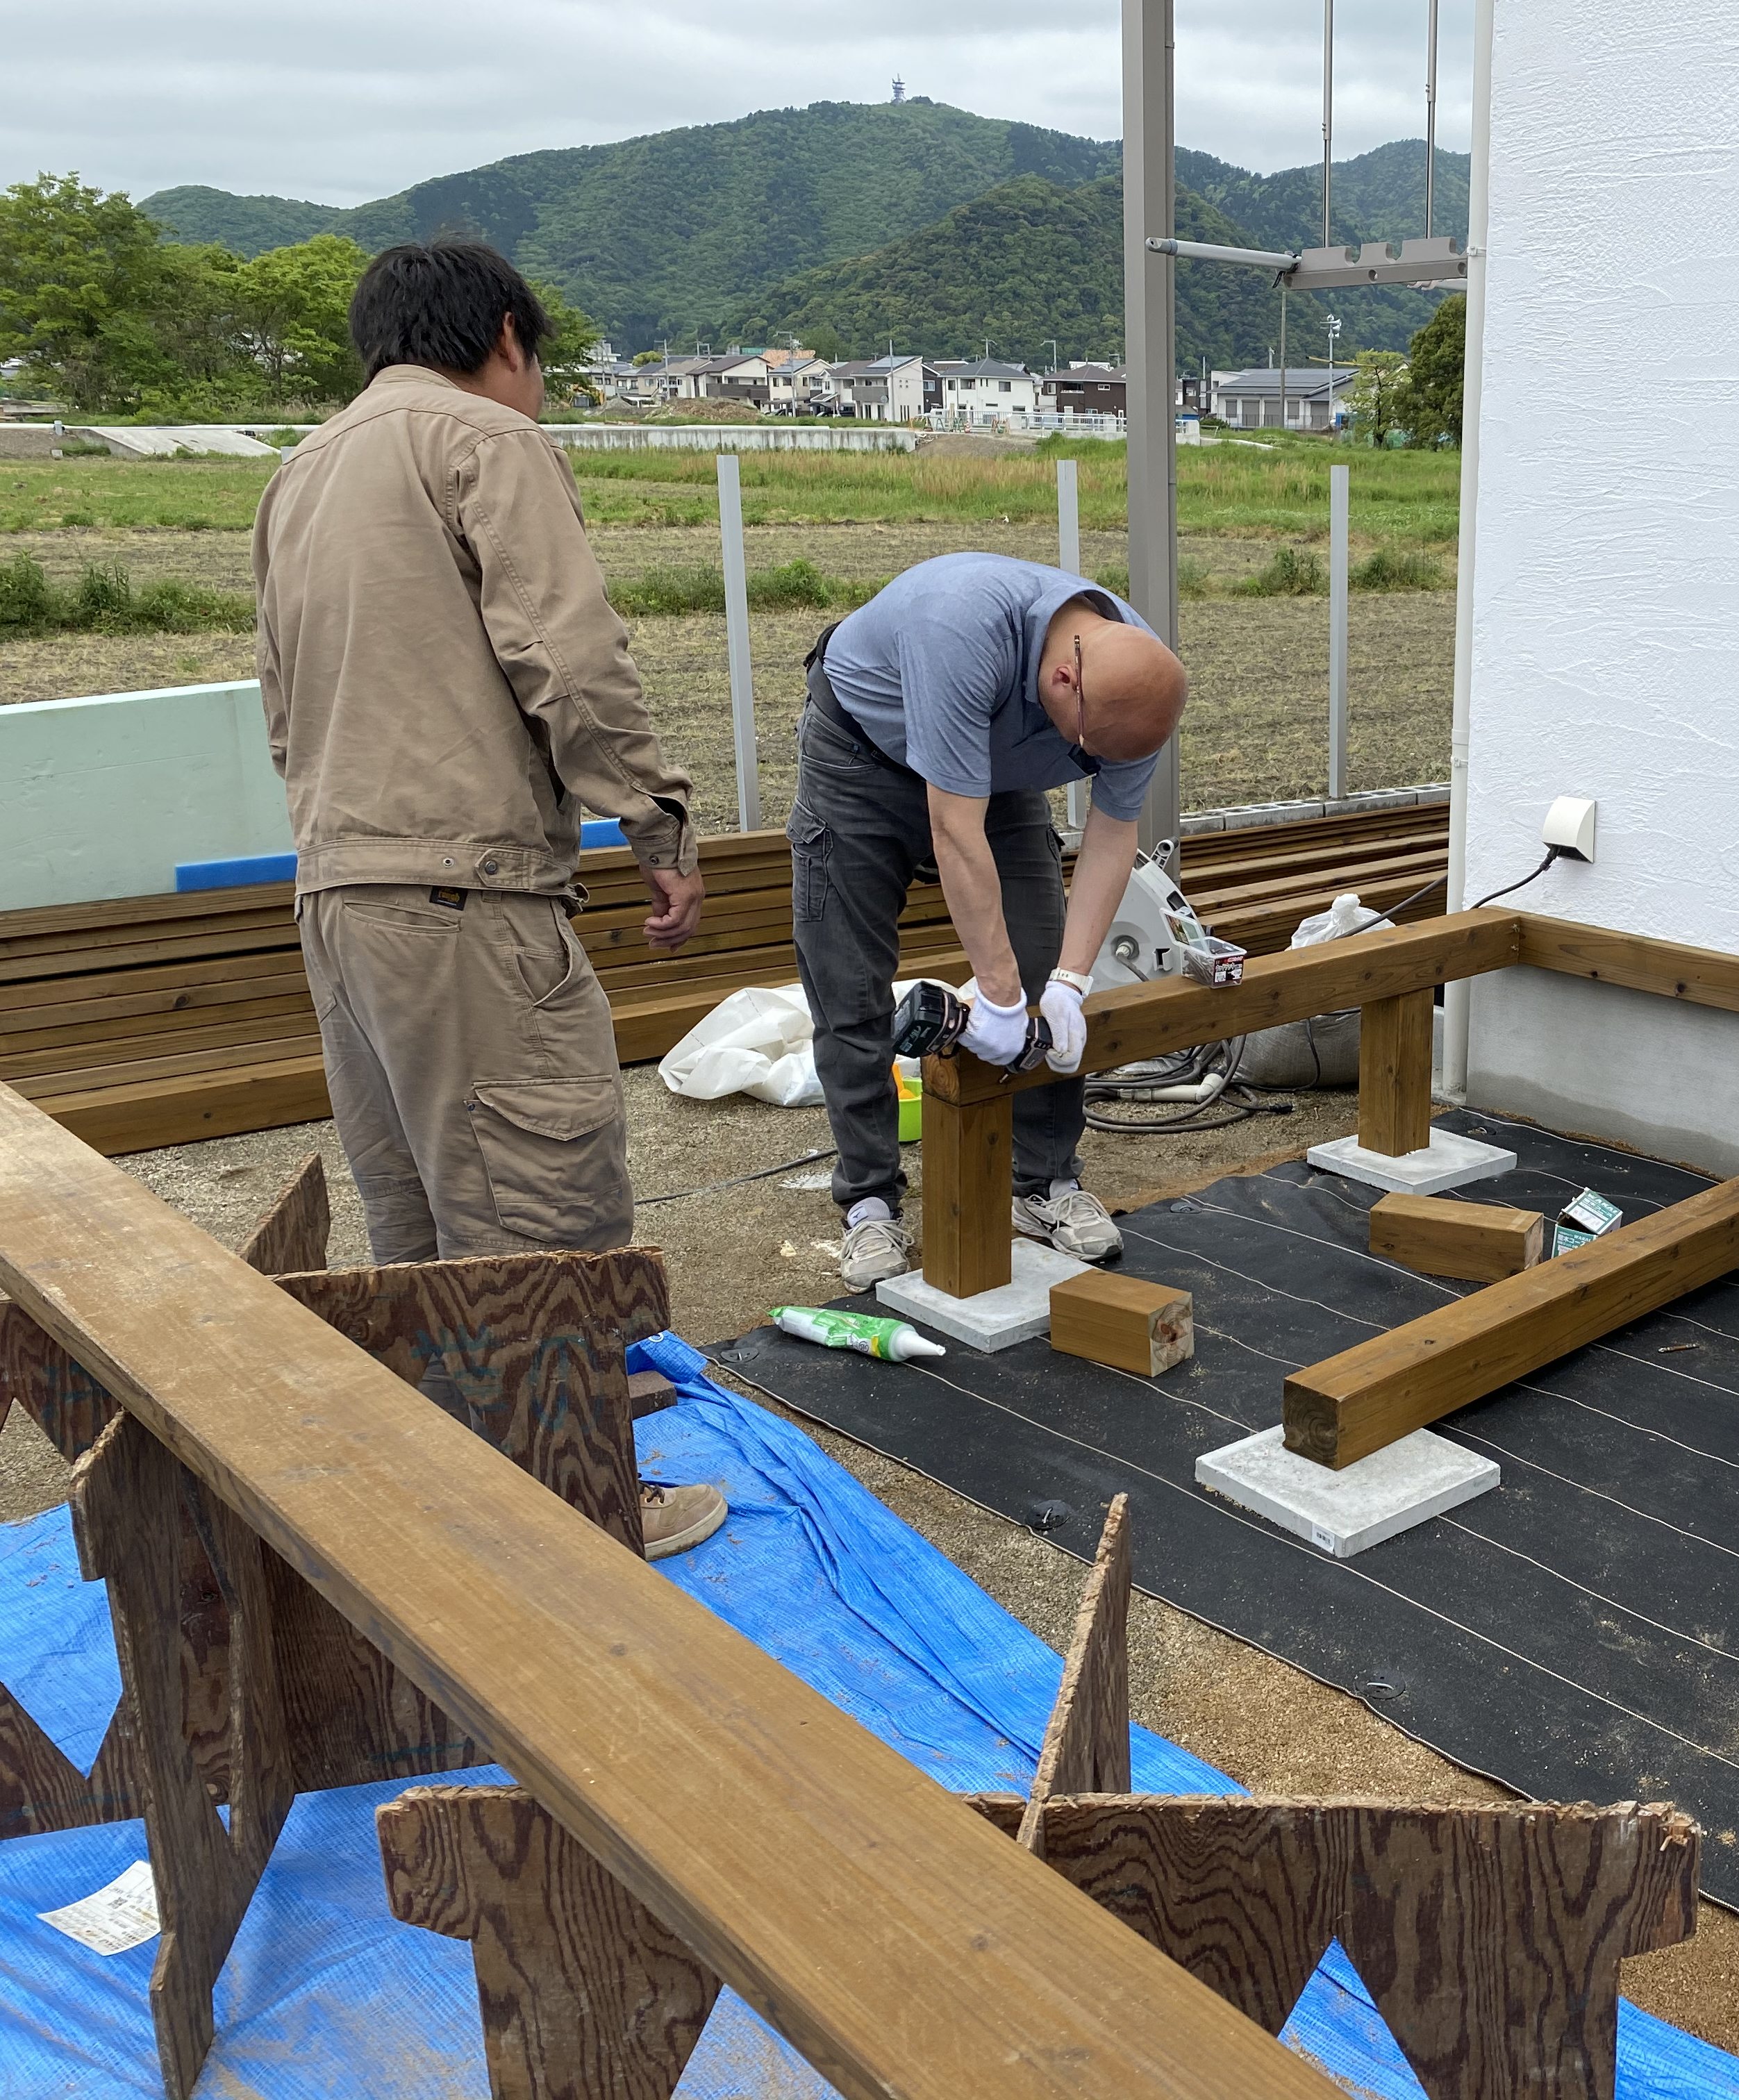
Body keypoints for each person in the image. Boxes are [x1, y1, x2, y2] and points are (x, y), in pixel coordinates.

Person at [252, 239, 724, 1558]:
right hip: (468, 894)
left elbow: (284, 711)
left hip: (339, 895)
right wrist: (656, 818)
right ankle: (575, 1515)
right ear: (506, 334)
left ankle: (447, 1501)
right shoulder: (482, 442)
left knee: (414, 1213)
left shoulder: (302, 469)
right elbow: (569, 658)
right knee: (537, 1214)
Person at [790, 553, 1191, 1291]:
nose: (1089, 765)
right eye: (1084, 753)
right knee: (849, 991)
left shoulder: (1136, 686)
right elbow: (954, 831)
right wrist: (998, 997)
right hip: (859, 760)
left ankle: (1046, 1183)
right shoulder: (961, 628)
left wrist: (1066, 983)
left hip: (1000, 781)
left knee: (1042, 965)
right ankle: (870, 1201)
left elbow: (1111, 835)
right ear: (1063, 682)